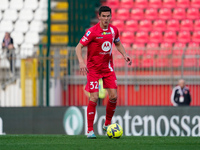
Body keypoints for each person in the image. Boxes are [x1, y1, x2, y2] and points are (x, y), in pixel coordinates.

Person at [75, 6, 132, 139]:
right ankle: (89, 130)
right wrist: (81, 62)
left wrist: (124, 54)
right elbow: (79, 46)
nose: (106, 19)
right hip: (93, 69)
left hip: (107, 68)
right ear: (99, 17)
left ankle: (107, 124)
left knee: (113, 96)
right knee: (94, 97)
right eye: (104, 16)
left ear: (110, 16)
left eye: (108, 16)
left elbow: (117, 43)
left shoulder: (113, 30)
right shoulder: (92, 32)